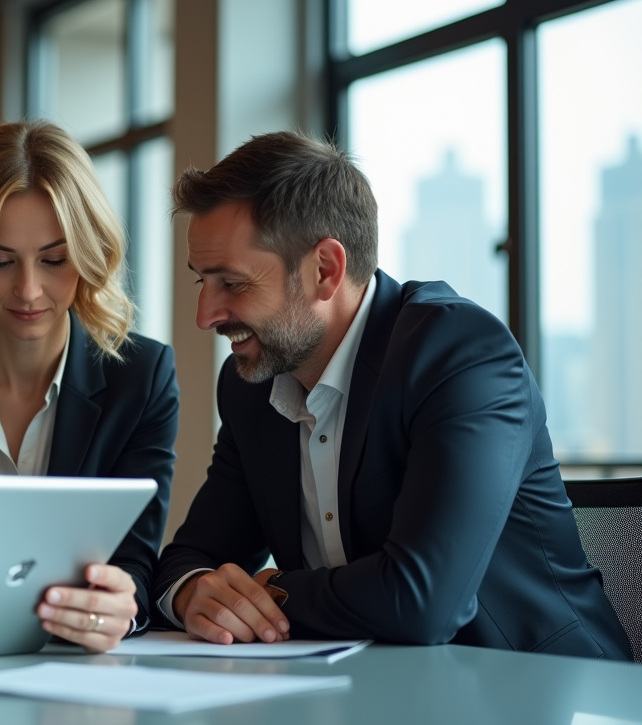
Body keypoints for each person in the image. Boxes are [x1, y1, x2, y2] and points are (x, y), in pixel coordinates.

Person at [154, 131, 631, 660]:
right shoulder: (251, 388)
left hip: (542, 690)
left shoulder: (460, 355)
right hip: (372, 691)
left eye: (233, 283)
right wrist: (196, 590)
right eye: (203, 282)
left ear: (325, 271)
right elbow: (191, 556)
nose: (205, 316)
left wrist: (270, 589)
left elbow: (421, 601)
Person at [0, 121, 179, 652]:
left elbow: (134, 561)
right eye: (0, 261)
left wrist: (119, 611)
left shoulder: (142, 376)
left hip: (75, 666)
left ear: (88, 255)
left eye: (54, 259)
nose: (27, 290)